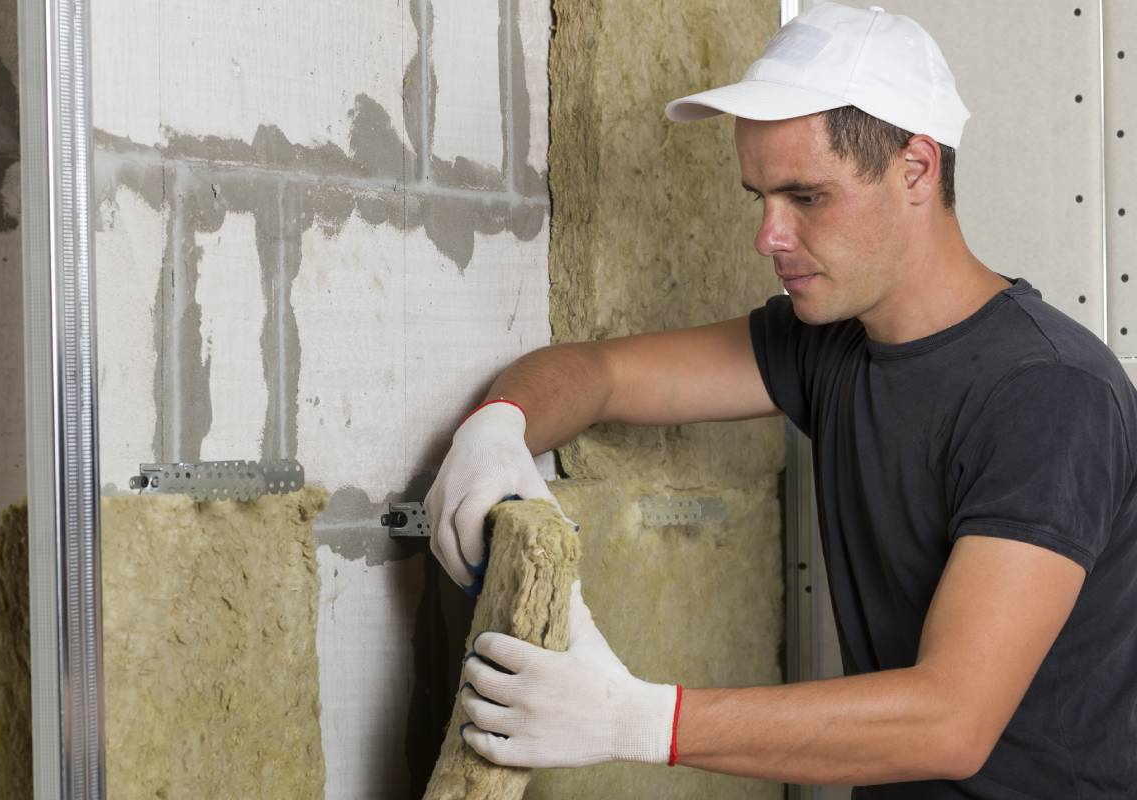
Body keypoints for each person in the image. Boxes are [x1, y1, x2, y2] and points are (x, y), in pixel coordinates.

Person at [423, 3, 1137, 797]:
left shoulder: (1047, 394)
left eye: (806, 197)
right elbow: (600, 373)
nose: (769, 236)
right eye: (758, 197)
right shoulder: (827, 341)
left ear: (917, 169)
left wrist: (635, 720)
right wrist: (497, 428)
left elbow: (950, 721)